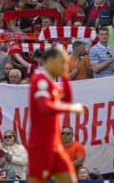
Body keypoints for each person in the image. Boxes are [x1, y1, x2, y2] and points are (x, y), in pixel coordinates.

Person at [28, 46, 84, 183]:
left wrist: (65, 76)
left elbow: (67, 98)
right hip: (41, 146)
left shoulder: (51, 83)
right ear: (51, 61)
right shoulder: (39, 79)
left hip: (55, 145)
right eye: (62, 62)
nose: (65, 65)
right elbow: (44, 106)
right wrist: (70, 108)